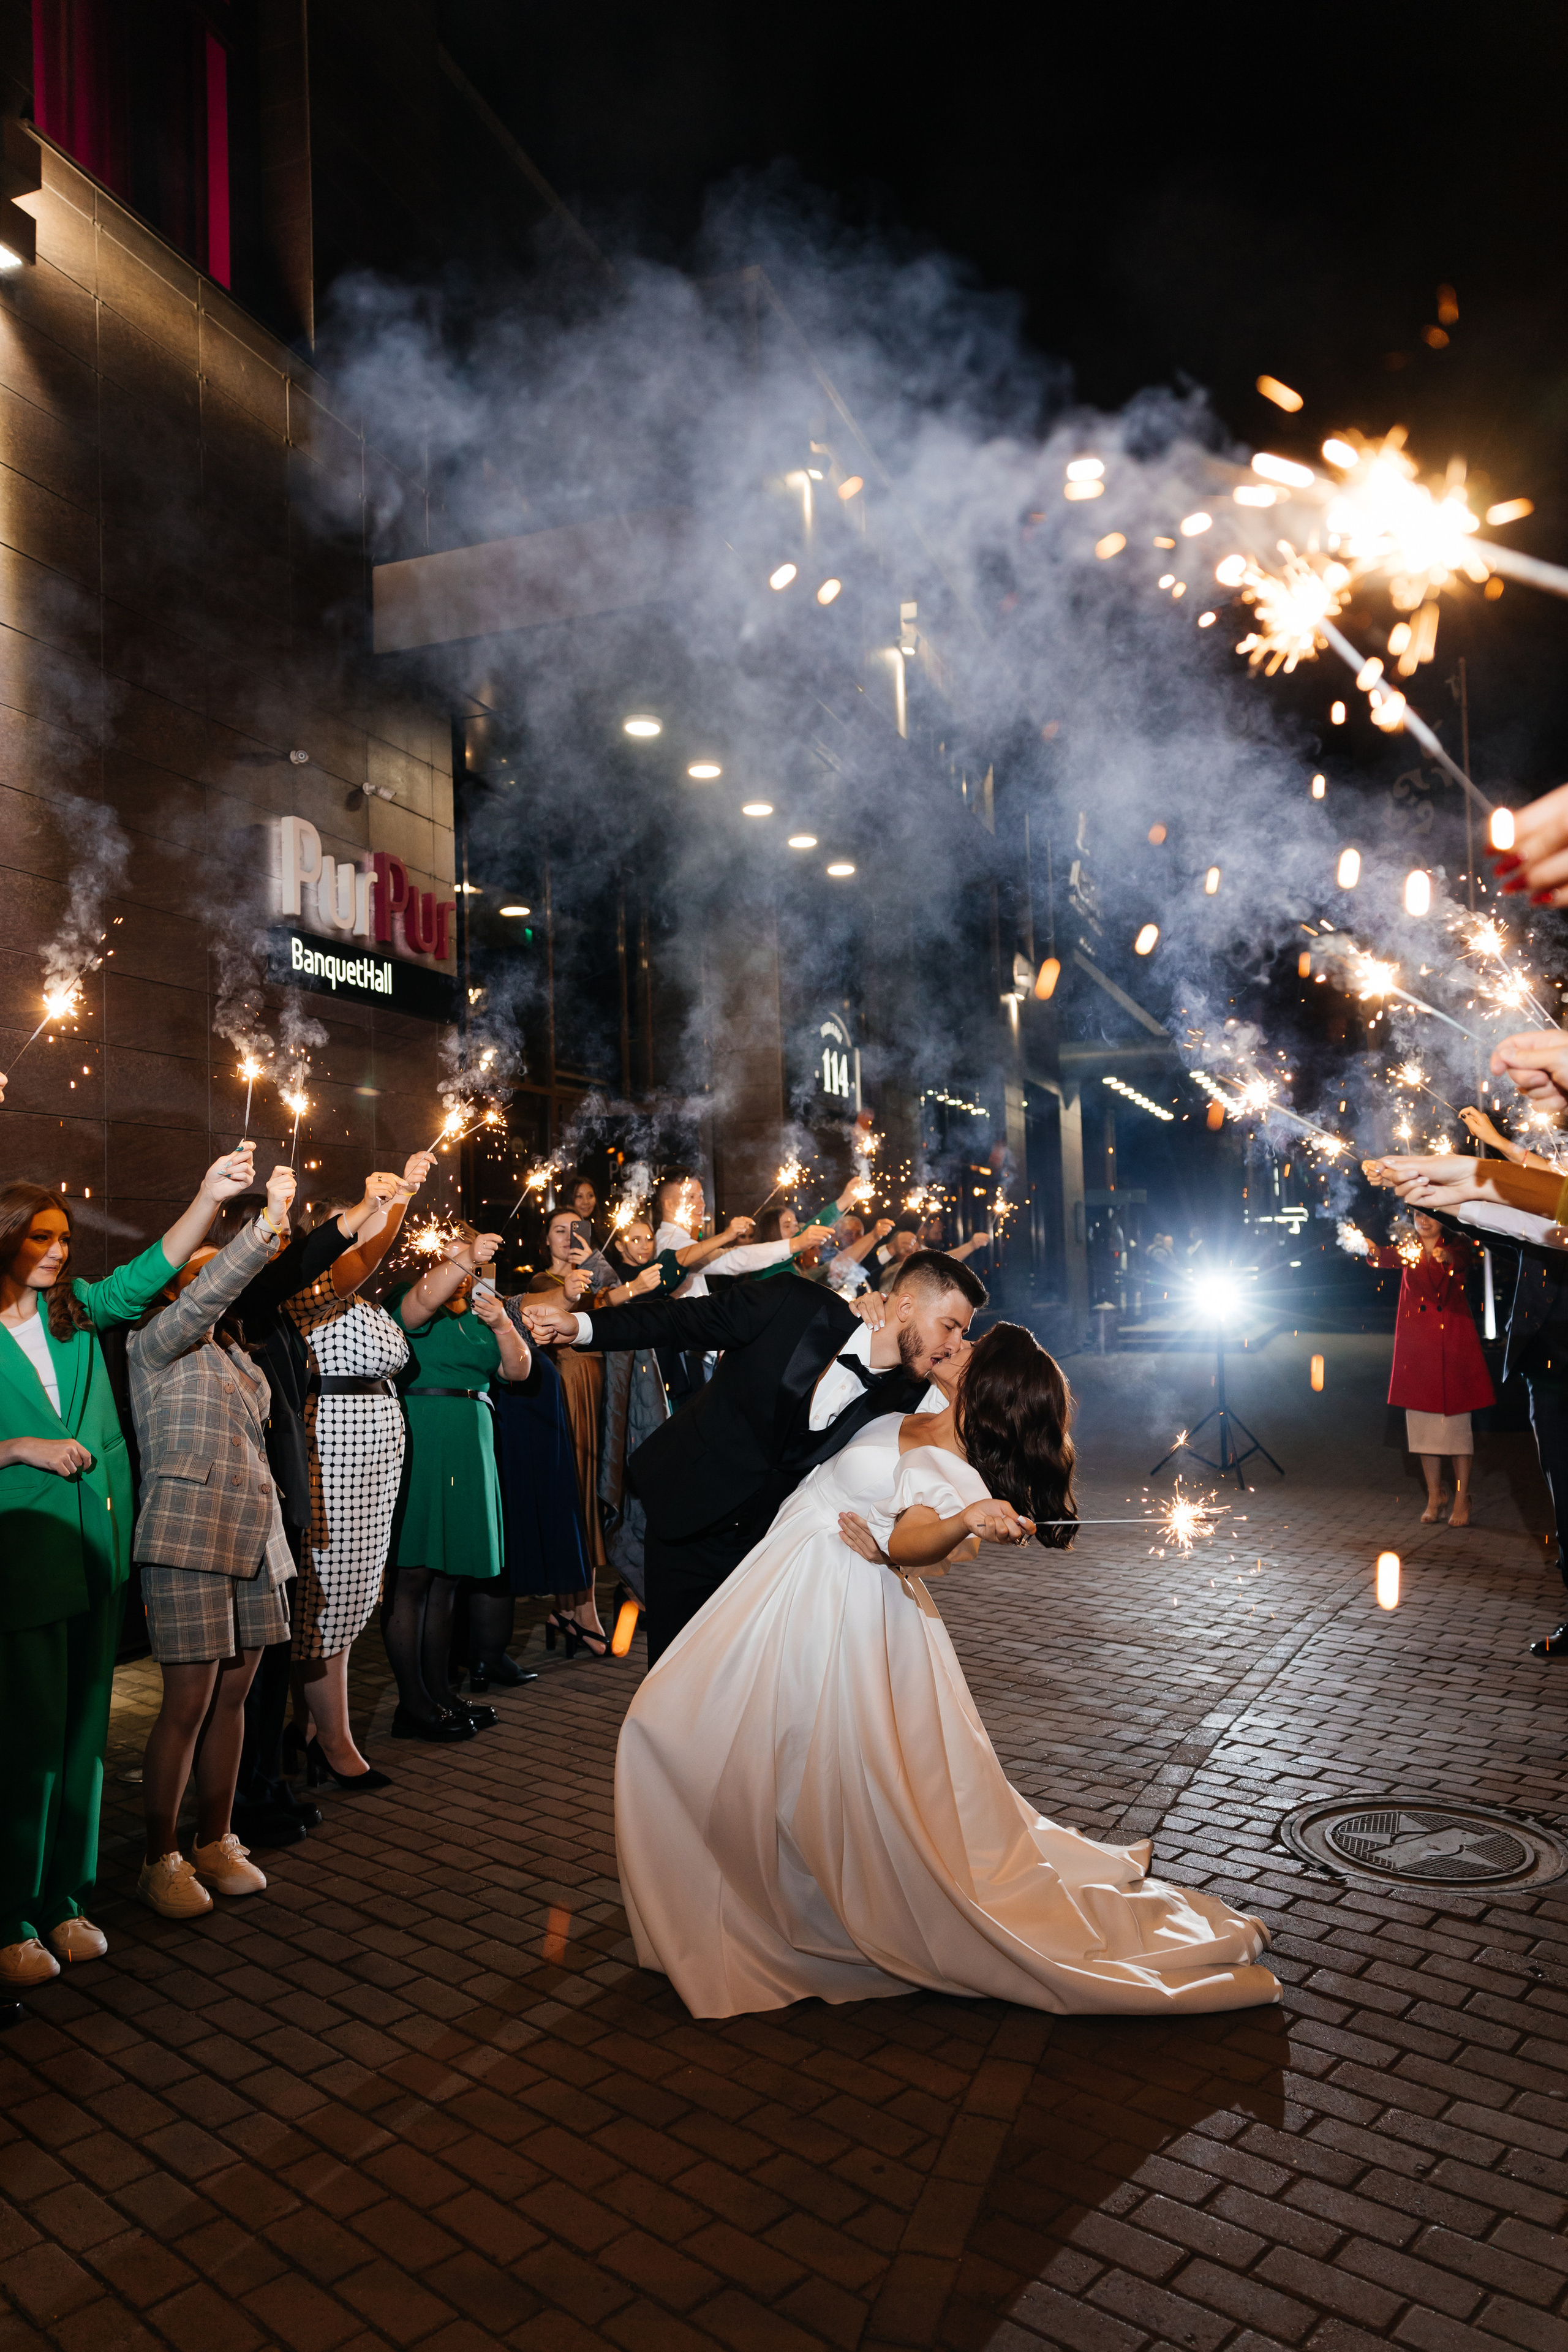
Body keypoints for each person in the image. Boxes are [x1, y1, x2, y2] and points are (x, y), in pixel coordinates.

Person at [614, 1322, 1279, 2021]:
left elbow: (908, 1536)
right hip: (777, 1578)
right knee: (719, 1745)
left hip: (831, 1614)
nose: (953, 1346)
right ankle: (752, 1898)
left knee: (705, 1741)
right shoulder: (908, 1413)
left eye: (968, 1349)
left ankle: (769, 1913)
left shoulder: (957, 1475)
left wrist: (963, 1521)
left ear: (982, 1384)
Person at [0, 1147, 262, 2007]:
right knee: (26, 1744)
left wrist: (207, 1195)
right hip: (22, 1555)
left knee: (82, 1738)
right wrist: (16, 1447)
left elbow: (150, 1272)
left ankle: (65, 1902)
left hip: (92, 1555)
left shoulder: (76, 1312)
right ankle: (11, 1916)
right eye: (39, 1237)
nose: (57, 1252)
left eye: (64, 1238)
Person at [522, 1250, 986, 1664]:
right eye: (949, 1325)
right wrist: (580, 1326)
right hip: (688, 1512)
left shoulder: (908, 1394)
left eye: (963, 1332)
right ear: (904, 1306)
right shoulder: (792, 1303)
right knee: (674, 1680)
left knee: (738, 1691)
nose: (954, 1343)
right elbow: (679, 1321)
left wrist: (888, 1551)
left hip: (770, 1550)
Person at [130, 1164, 301, 1920]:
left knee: (237, 1695)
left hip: (255, 1538)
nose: (222, 1286)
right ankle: (158, 1855)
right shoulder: (153, 1342)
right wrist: (263, 1229)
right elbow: (208, 1292)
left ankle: (216, 1837)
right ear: (178, 1287)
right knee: (189, 1702)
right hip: (187, 1536)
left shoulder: (241, 1357)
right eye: (205, 1272)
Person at [280, 1156, 435, 1791]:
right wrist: (398, 1197)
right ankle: (334, 1742)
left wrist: (398, 1198)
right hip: (334, 1452)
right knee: (329, 1595)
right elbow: (363, 1257)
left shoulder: (364, 1304)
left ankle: (311, 1728)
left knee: (355, 1589)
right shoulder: (307, 1288)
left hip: (375, 1454)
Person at [382, 1229, 530, 1730]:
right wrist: (465, 1258)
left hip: (472, 1439)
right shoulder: (411, 1296)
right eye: (461, 1254)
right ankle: (412, 1702)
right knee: (414, 1575)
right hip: (426, 1433)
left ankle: (441, 1691)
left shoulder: (484, 1309)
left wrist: (504, 1325)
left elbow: (519, 1370)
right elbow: (422, 1302)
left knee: (448, 1578)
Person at [1354, 1211, 1494, 1526]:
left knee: (1458, 1432)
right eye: (1418, 1215)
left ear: (1443, 1219)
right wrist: (1372, 1251)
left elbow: (1463, 1259)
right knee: (1423, 1430)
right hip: (1419, 1349)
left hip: (1454, 1346)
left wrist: (1446, 1257)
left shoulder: (1457, 1245)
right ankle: (1435, 1495)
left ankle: (1462, 1497)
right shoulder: (1409, 1246)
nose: (1424, 1221)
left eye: (1430, 1216)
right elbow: (1384, 1258)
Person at [594, 1215, 676, 1605]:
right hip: (627, 1398)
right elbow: (606, 1311)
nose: (643, 1245)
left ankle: (642, 1585)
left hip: (661, 1390)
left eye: (648, 1238)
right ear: (621, 1246)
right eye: (635, 1238)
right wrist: (634, 1288)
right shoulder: (619, 1278)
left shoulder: (660, 1277)